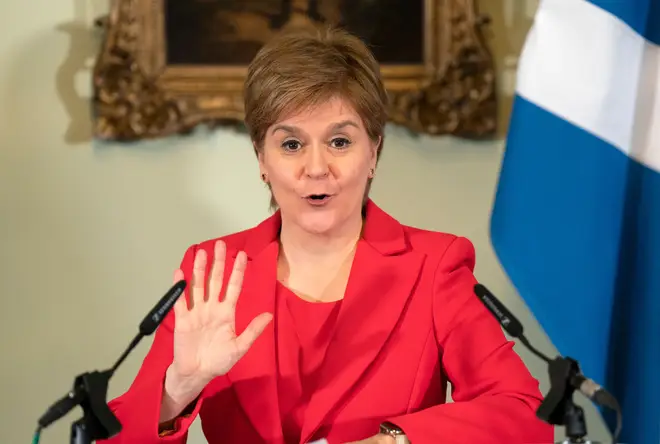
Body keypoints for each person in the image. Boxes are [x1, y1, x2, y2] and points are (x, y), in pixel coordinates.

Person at [99, 26, 554, 444]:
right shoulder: (214, 272)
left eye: (340, 141)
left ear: (373, 151)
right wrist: (178, 389)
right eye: (291, 144)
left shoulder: (434, 266)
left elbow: (524, 415)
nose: (316, 168)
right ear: (261, 158)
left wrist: (395, 442)